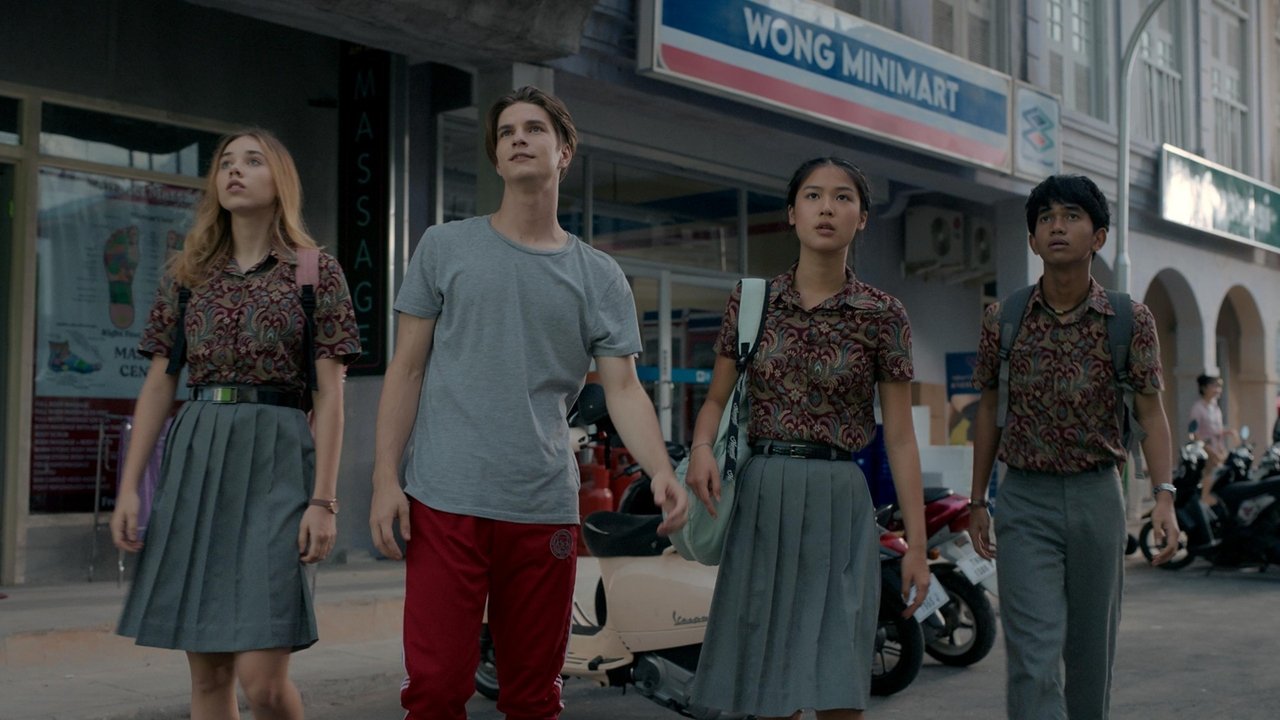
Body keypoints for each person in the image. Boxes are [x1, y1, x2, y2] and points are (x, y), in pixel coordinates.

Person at [369, 85, 689, 720]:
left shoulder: (599, 276)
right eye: (506, 132)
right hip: (445, 498)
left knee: (534, 697)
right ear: (495, 158)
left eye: (534, 128)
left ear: (564, 151)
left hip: (542, 506)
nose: (518, 137)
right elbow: (405, 369)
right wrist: (384, 477)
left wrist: (660, 469)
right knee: (435, 690)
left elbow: (623, 387)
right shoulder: (445, 247)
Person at [111, 128, 362, 720]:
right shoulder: (188, 274)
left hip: (277, 457)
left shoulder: (314, 272)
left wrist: (323, 501)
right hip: (198, 456)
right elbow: (159, 384)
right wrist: (130, 487)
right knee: (209, 677)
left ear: (281, 182)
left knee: (263, 684)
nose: (235, 171)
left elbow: (330, 396)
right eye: (226, 162)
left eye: (252, 161)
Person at [685, 157, 930, 720]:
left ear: (861, 218)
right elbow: (716, 400)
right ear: (792, 213)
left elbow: (900, 437)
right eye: (813, 196)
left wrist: (917, 547)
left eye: (843, 197)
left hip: (840, 499)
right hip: (763, 493)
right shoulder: (752, 301)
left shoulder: (883, 313)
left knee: (838, 675)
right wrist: (701, 449)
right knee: (768, 683)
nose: (827, 208)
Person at [968, 174, 1180, 719]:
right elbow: (989, 411)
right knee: (1032, 657)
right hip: (1024, 502)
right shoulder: (1004, 319)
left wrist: (1164, 495)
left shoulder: (1129, 320)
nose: (1057, 226)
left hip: (1097, 497)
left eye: (1071, 216)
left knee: (1090, 654)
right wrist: (976, 501)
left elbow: (1150, 413)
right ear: (1033, 240)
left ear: (1099, 236)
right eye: (1045, 218)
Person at [1190, 373, 1236, 504]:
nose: (1218, 390)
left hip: (1218, 450)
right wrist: (1209, 450)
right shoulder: (1198, 408)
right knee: (1208, 477)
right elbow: (1194, 433)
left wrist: (1228, 433)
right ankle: (1203, 503)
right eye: (1214, 386)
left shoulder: (1215, 408)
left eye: (1219, 387)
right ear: (1204, 388)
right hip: (1206, 452)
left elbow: (1217, 431)